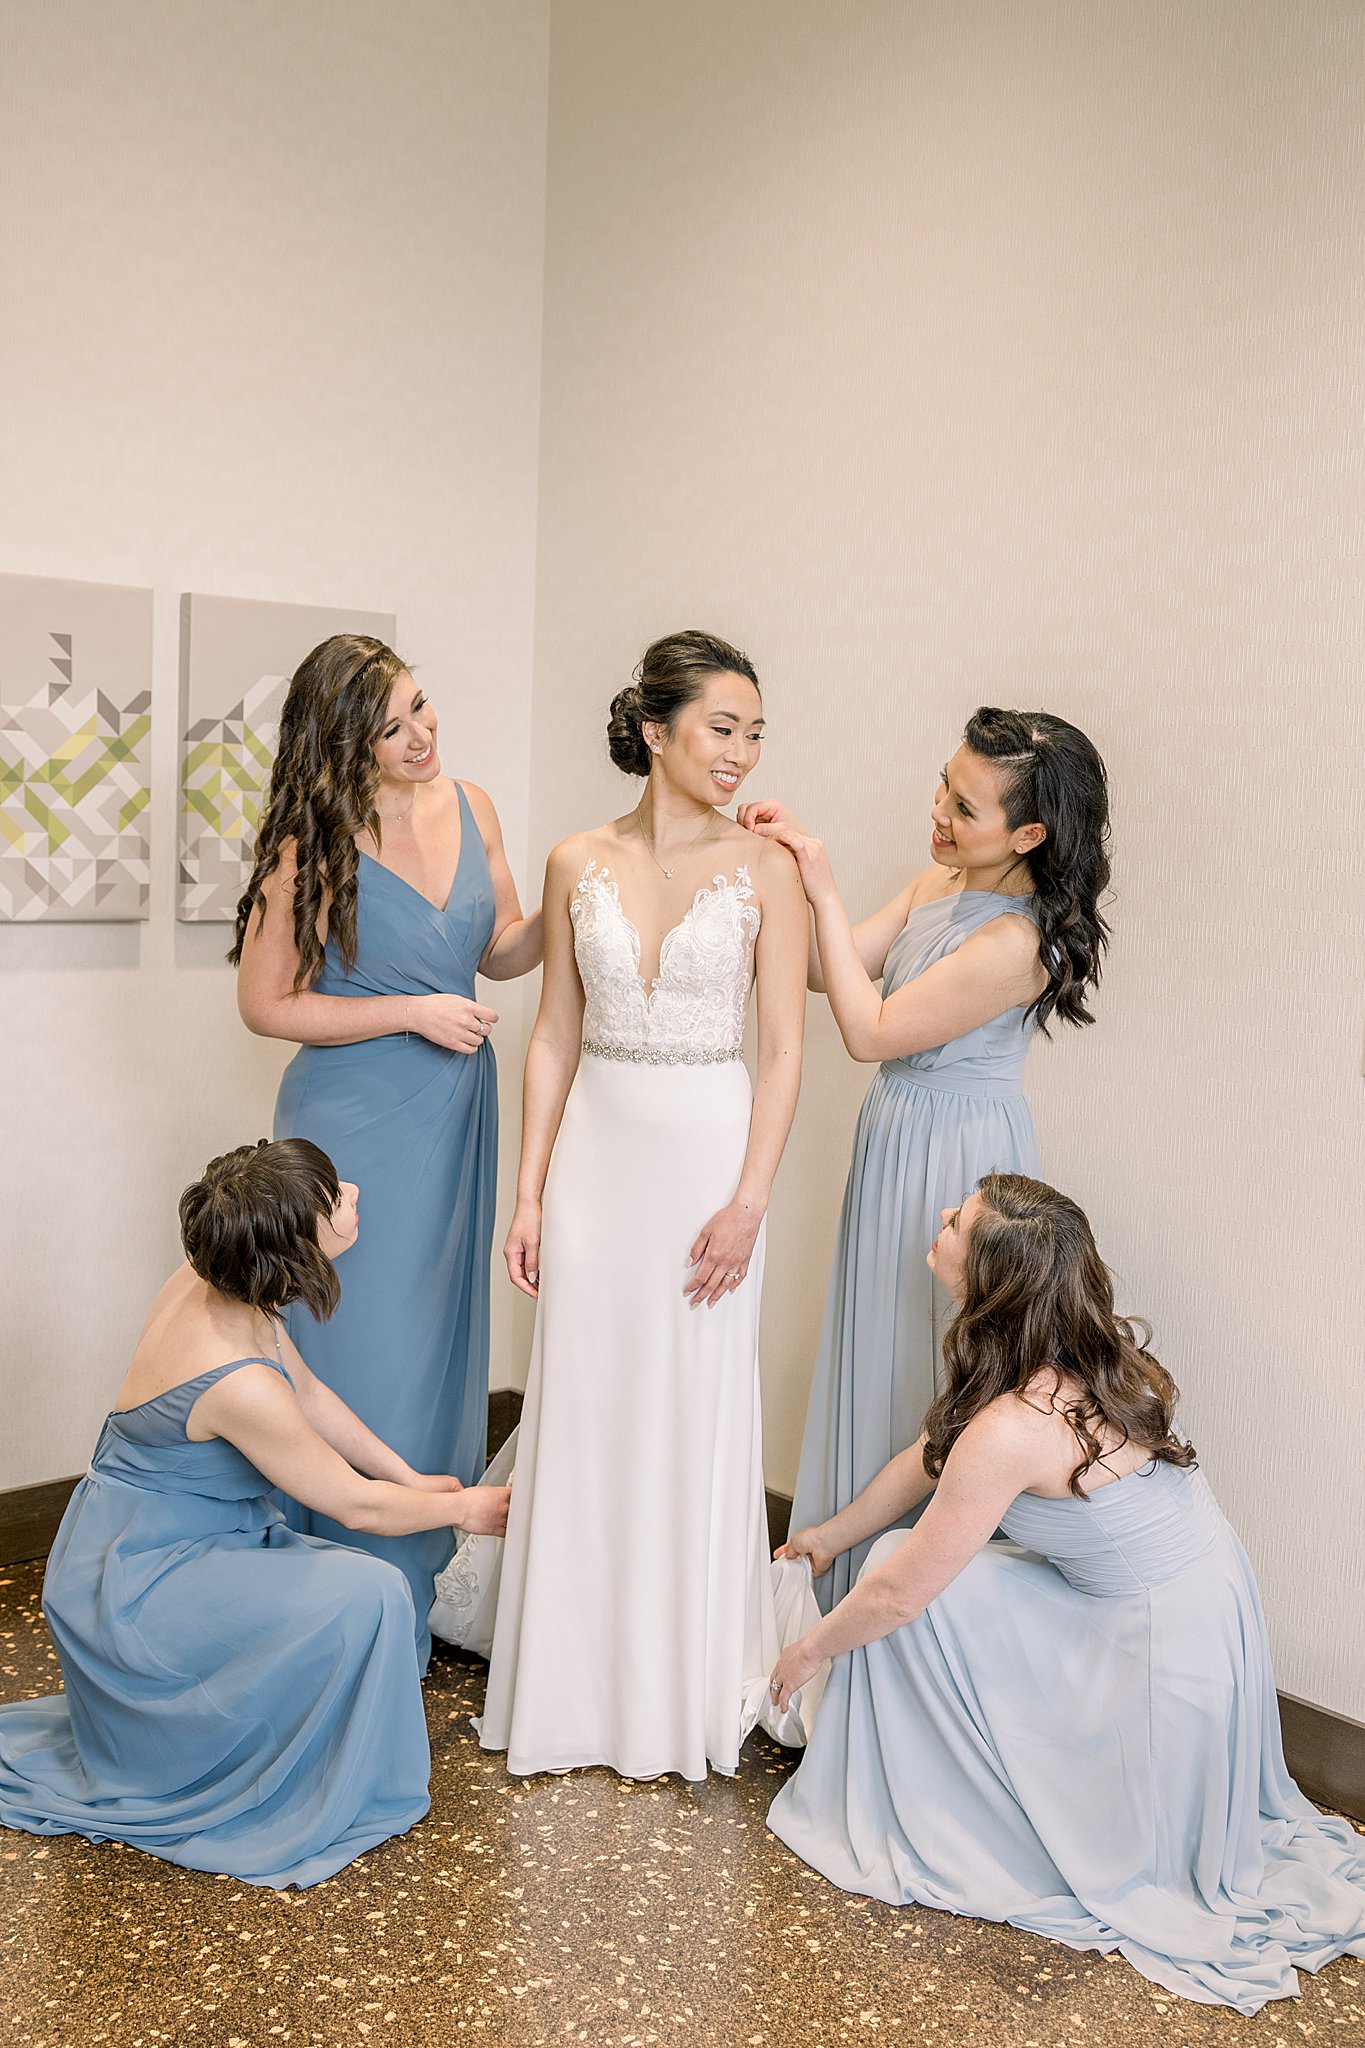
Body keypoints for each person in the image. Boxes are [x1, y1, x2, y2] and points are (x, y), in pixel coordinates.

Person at [764, 1173, 1365, 2015]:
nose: (939, 1219)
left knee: (891, 1587)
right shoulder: (1079, 1355)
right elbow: (928, 1456)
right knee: (891, 1560)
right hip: (1206, 1608)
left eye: (958, 1224)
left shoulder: (1014, 1426)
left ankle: (951, 1807)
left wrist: (807, 1648)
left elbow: (900, 1595)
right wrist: (829, 1534)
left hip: (1159, 1653)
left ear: (989, 1282)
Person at [431, 629, 823, 1779]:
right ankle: (572, 1684)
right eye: (722, 727)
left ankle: (675, 1688)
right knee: (590, 1397)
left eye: (755, 731)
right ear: (655, 731)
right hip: (598, 1155)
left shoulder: (768, 871)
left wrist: (751, 1195)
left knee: (688, 1397)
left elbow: (788, 1049)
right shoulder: (573, 859)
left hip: (708, 1154)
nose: (742, 752)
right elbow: (552, 1033)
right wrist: (531, 1191)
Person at [0, 1140, 509, 1890]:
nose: (354, 1192)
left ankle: (281, 1743)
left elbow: (307, 1393)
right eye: (334, 1198)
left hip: (146, 1541)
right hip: (139, 1581)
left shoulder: (225, 1282)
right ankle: (266, 1774)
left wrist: (411, 1476)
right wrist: (465, 1507)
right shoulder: (234, 1382)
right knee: (367, 1590)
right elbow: (352, 1505)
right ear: (294, 1247)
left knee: (345, 1582)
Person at [741, 707, 1110, 1607]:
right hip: (894, 1135)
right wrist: (778, 872)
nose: (940, 810)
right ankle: (826, 1588)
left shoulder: (1018, 941)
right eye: (943, 785)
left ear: (1030, 833)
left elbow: (866, 1032)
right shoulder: (936, 882)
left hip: (956, 1152)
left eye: (966, 805)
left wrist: (820, 884)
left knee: (933, 1361)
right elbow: (834, 972)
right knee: (874, 1337)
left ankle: (899, 1613)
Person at [232, 634, 541, 1667]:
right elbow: (265, 1004)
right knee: (351, 1346)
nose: (419, 736)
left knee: (431, 1340)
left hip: (455, 1112)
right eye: (390, 726)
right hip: (352, 1119)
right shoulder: (307, 847)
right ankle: (325, 1605)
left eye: (421, 707)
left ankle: (406, 1593)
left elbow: (494, 945)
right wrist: (408, 1009)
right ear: (339, 743)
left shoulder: (475, 804)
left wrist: (580, 903)